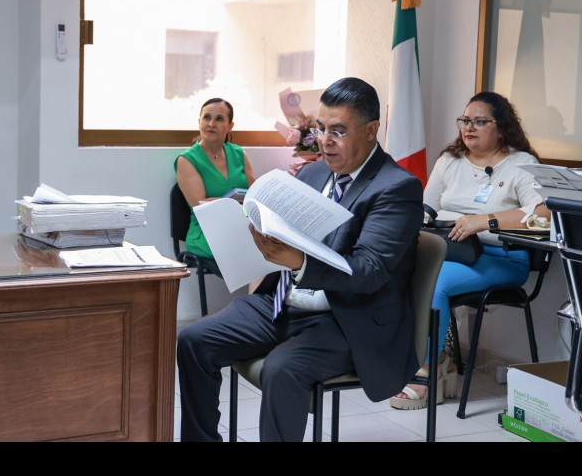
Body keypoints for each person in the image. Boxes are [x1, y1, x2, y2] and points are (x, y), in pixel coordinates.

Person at [177, 77, 424, 442]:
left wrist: (299, 262)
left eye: (338, 131)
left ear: (372, 130)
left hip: (347, 318)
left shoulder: (396, 187)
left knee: (281, 369)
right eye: (322, 129)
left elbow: (370, 270)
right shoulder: (313, 172)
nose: (325, 141)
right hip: (284, 301)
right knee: (193, 340)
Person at [390, 91, 550, 410]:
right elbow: (426, 208)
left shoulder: (521, 164)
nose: (469, 127)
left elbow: (543, 214)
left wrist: (485, 221)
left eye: (479, 121)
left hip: (502, 258)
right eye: (465, 120)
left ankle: (425, 369)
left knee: (432, 283)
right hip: (449, 252)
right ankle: (438, 359)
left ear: (501, 128)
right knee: (397, 270)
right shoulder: (450, 161)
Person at [174, 97, 256, 260]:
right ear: (199, 122)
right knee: (256, 251)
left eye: (219, 119)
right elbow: (200, 205)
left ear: (230, 126)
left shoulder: (239, 154)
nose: (211, 124)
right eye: (207, 117)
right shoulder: (187, 160)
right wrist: (234, 203)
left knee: (276, 246)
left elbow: (255, 195)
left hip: (242, 226)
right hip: (208, 231)